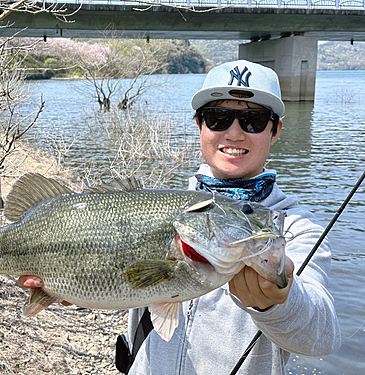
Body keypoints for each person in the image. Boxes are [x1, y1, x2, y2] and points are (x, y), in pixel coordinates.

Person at [18, 60, 341, 374]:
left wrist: (279, 302)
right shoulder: (154, 206)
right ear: (199, 124)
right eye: (217, 118)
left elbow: (321, 338)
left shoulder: (293, 227)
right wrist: (78, 284)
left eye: (253, 121)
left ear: (275, 130)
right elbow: (127, 283)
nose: (234, 133)